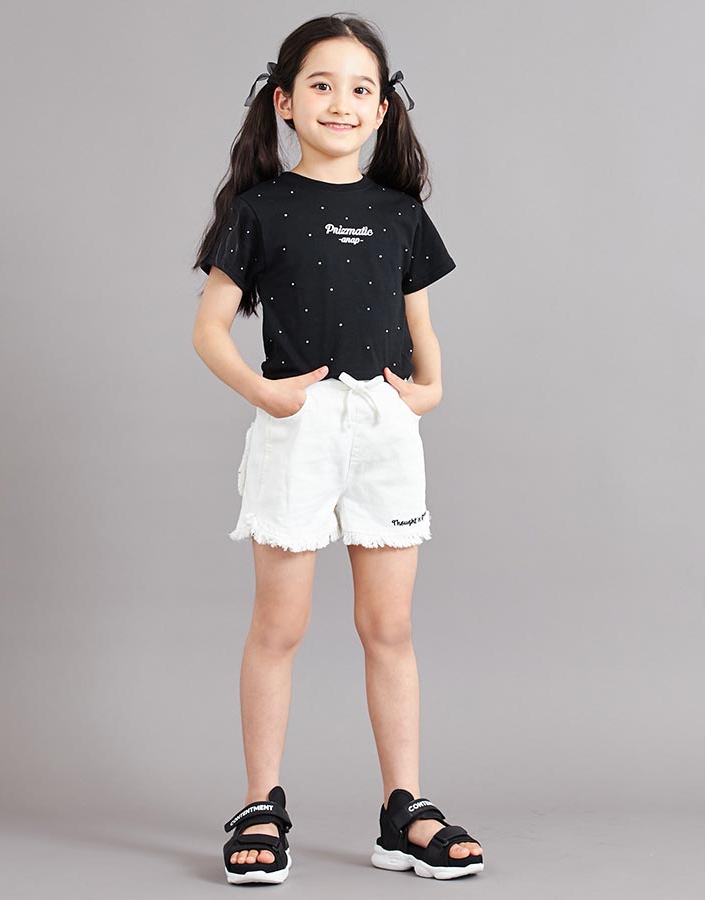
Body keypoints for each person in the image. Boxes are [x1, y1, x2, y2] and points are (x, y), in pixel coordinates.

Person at [192, 13, 484, 886]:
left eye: (362, 88)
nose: (342, 102)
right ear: (284, 101)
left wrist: (430, 389)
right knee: (279, 626)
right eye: (321, 84)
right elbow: (209, 329)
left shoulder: (401, 213)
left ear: (383, 109)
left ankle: (405, 811)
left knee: (389, 627)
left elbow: (421, 324)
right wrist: (265, 394)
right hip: (299, 424)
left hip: (386, 430)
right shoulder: (259, 209)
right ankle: (260, 804)